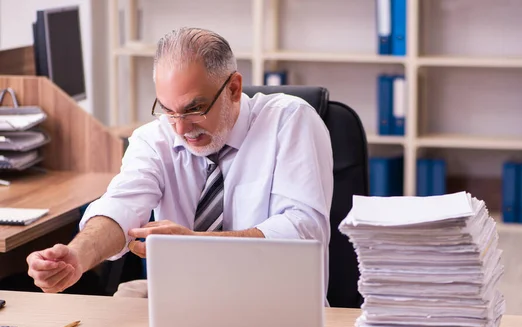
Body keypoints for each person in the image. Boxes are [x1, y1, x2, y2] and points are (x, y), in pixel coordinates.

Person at [26, 27, 334, 298]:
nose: (181, 128)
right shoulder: (154, 138)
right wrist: (77, 256)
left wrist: (198, 245)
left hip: (277, 306)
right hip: (181, 307)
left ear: (234, 89)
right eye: (168, 110)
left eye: (194, 108)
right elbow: (121, 207)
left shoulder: (290, 121)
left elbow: (303, 231)